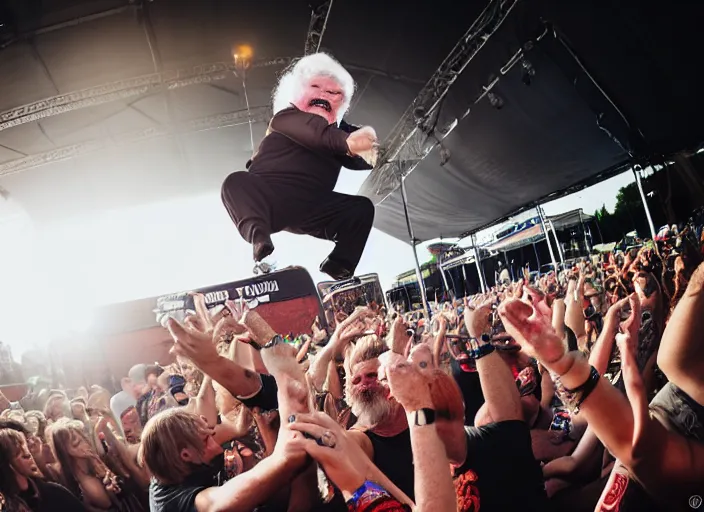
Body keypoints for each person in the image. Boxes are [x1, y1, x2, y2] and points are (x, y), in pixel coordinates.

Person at [221, 52, 378, 281]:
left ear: (342, 104)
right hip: (271, 197)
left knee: (361, 209)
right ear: (295, 93)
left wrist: (367, 148)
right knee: (234, 182)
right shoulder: (285, 118)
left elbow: (361, 161)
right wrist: (348, 142)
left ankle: (340, 263)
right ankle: (259, 237)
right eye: (316, 87)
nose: (324, 95)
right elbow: (316, 133)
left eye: (334, 93)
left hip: (313, 207)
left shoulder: (339, 132)